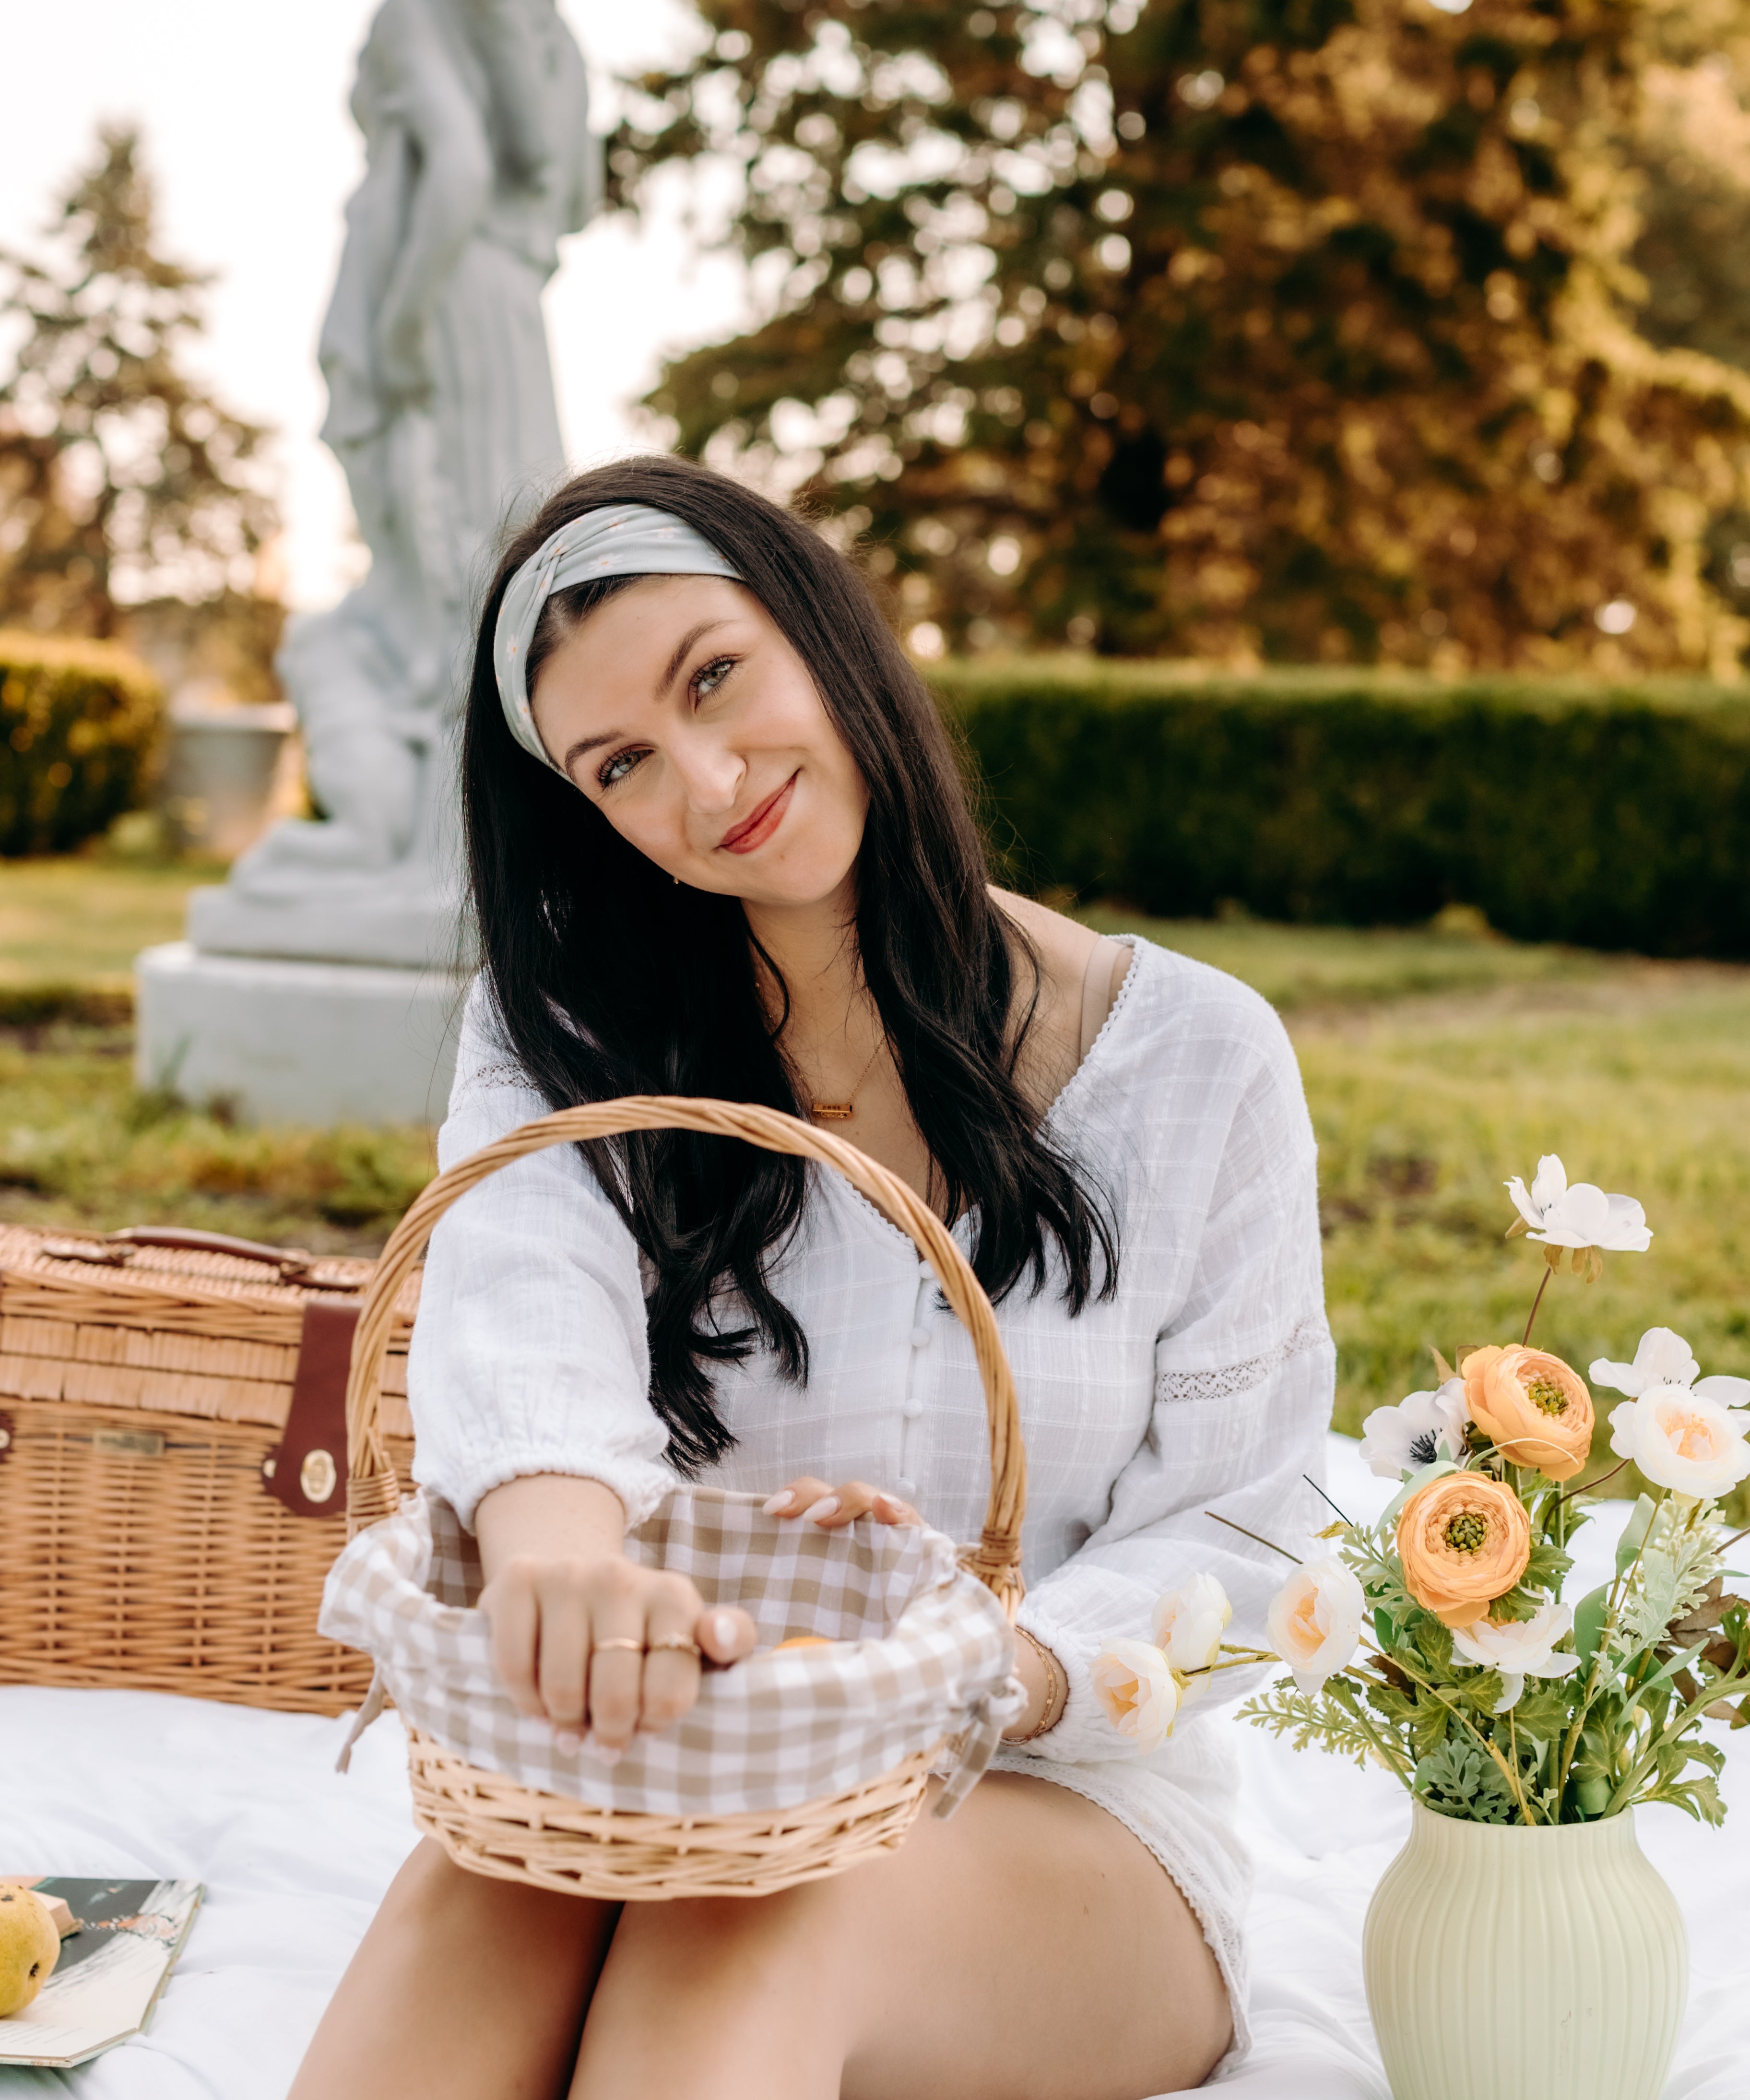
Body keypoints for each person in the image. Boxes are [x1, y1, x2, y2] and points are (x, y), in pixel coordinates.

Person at [292, 454, 1334, 2100]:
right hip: (664, 1762)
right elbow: (518, 1311)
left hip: (1069, 1814)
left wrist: (963, 1665)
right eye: (622, 762)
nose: (708, 783)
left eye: (718, 676)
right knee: (477, 1906)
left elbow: (1249, 1523)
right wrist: (565, 1563)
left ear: (820, 626)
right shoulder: (565, 1031)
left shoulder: (1199, 1059)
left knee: (739, 1931)